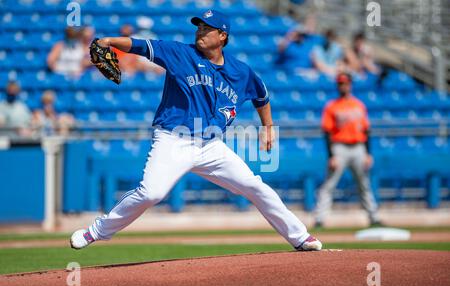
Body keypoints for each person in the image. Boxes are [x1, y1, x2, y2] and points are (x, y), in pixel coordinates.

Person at [70, 9, 322, 252]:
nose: (200, 31)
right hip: (173, 139)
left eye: (206, 28)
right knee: (151, 193)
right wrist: (109, 41)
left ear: (222, 36)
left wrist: (268, 127)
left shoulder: (241, 72)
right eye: (199, 26)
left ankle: (300, 237)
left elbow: (261, 96)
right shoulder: (179, 53)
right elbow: (139, 45)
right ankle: (96, 231)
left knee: (255, 186)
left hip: (210, 146)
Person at [313, 73, 383, 228]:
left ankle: (374, 216)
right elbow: (327, 132)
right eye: (340, 83)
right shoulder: (332, 106)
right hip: (339, 148)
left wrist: (368, 153)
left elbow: (366, 131)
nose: (343, 86)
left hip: (358, 147)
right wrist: (331, 156)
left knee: (364, 184)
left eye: (345, 83)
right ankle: (319, 218)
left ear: (350, 84)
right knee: (329, 184)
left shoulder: (358, 105)